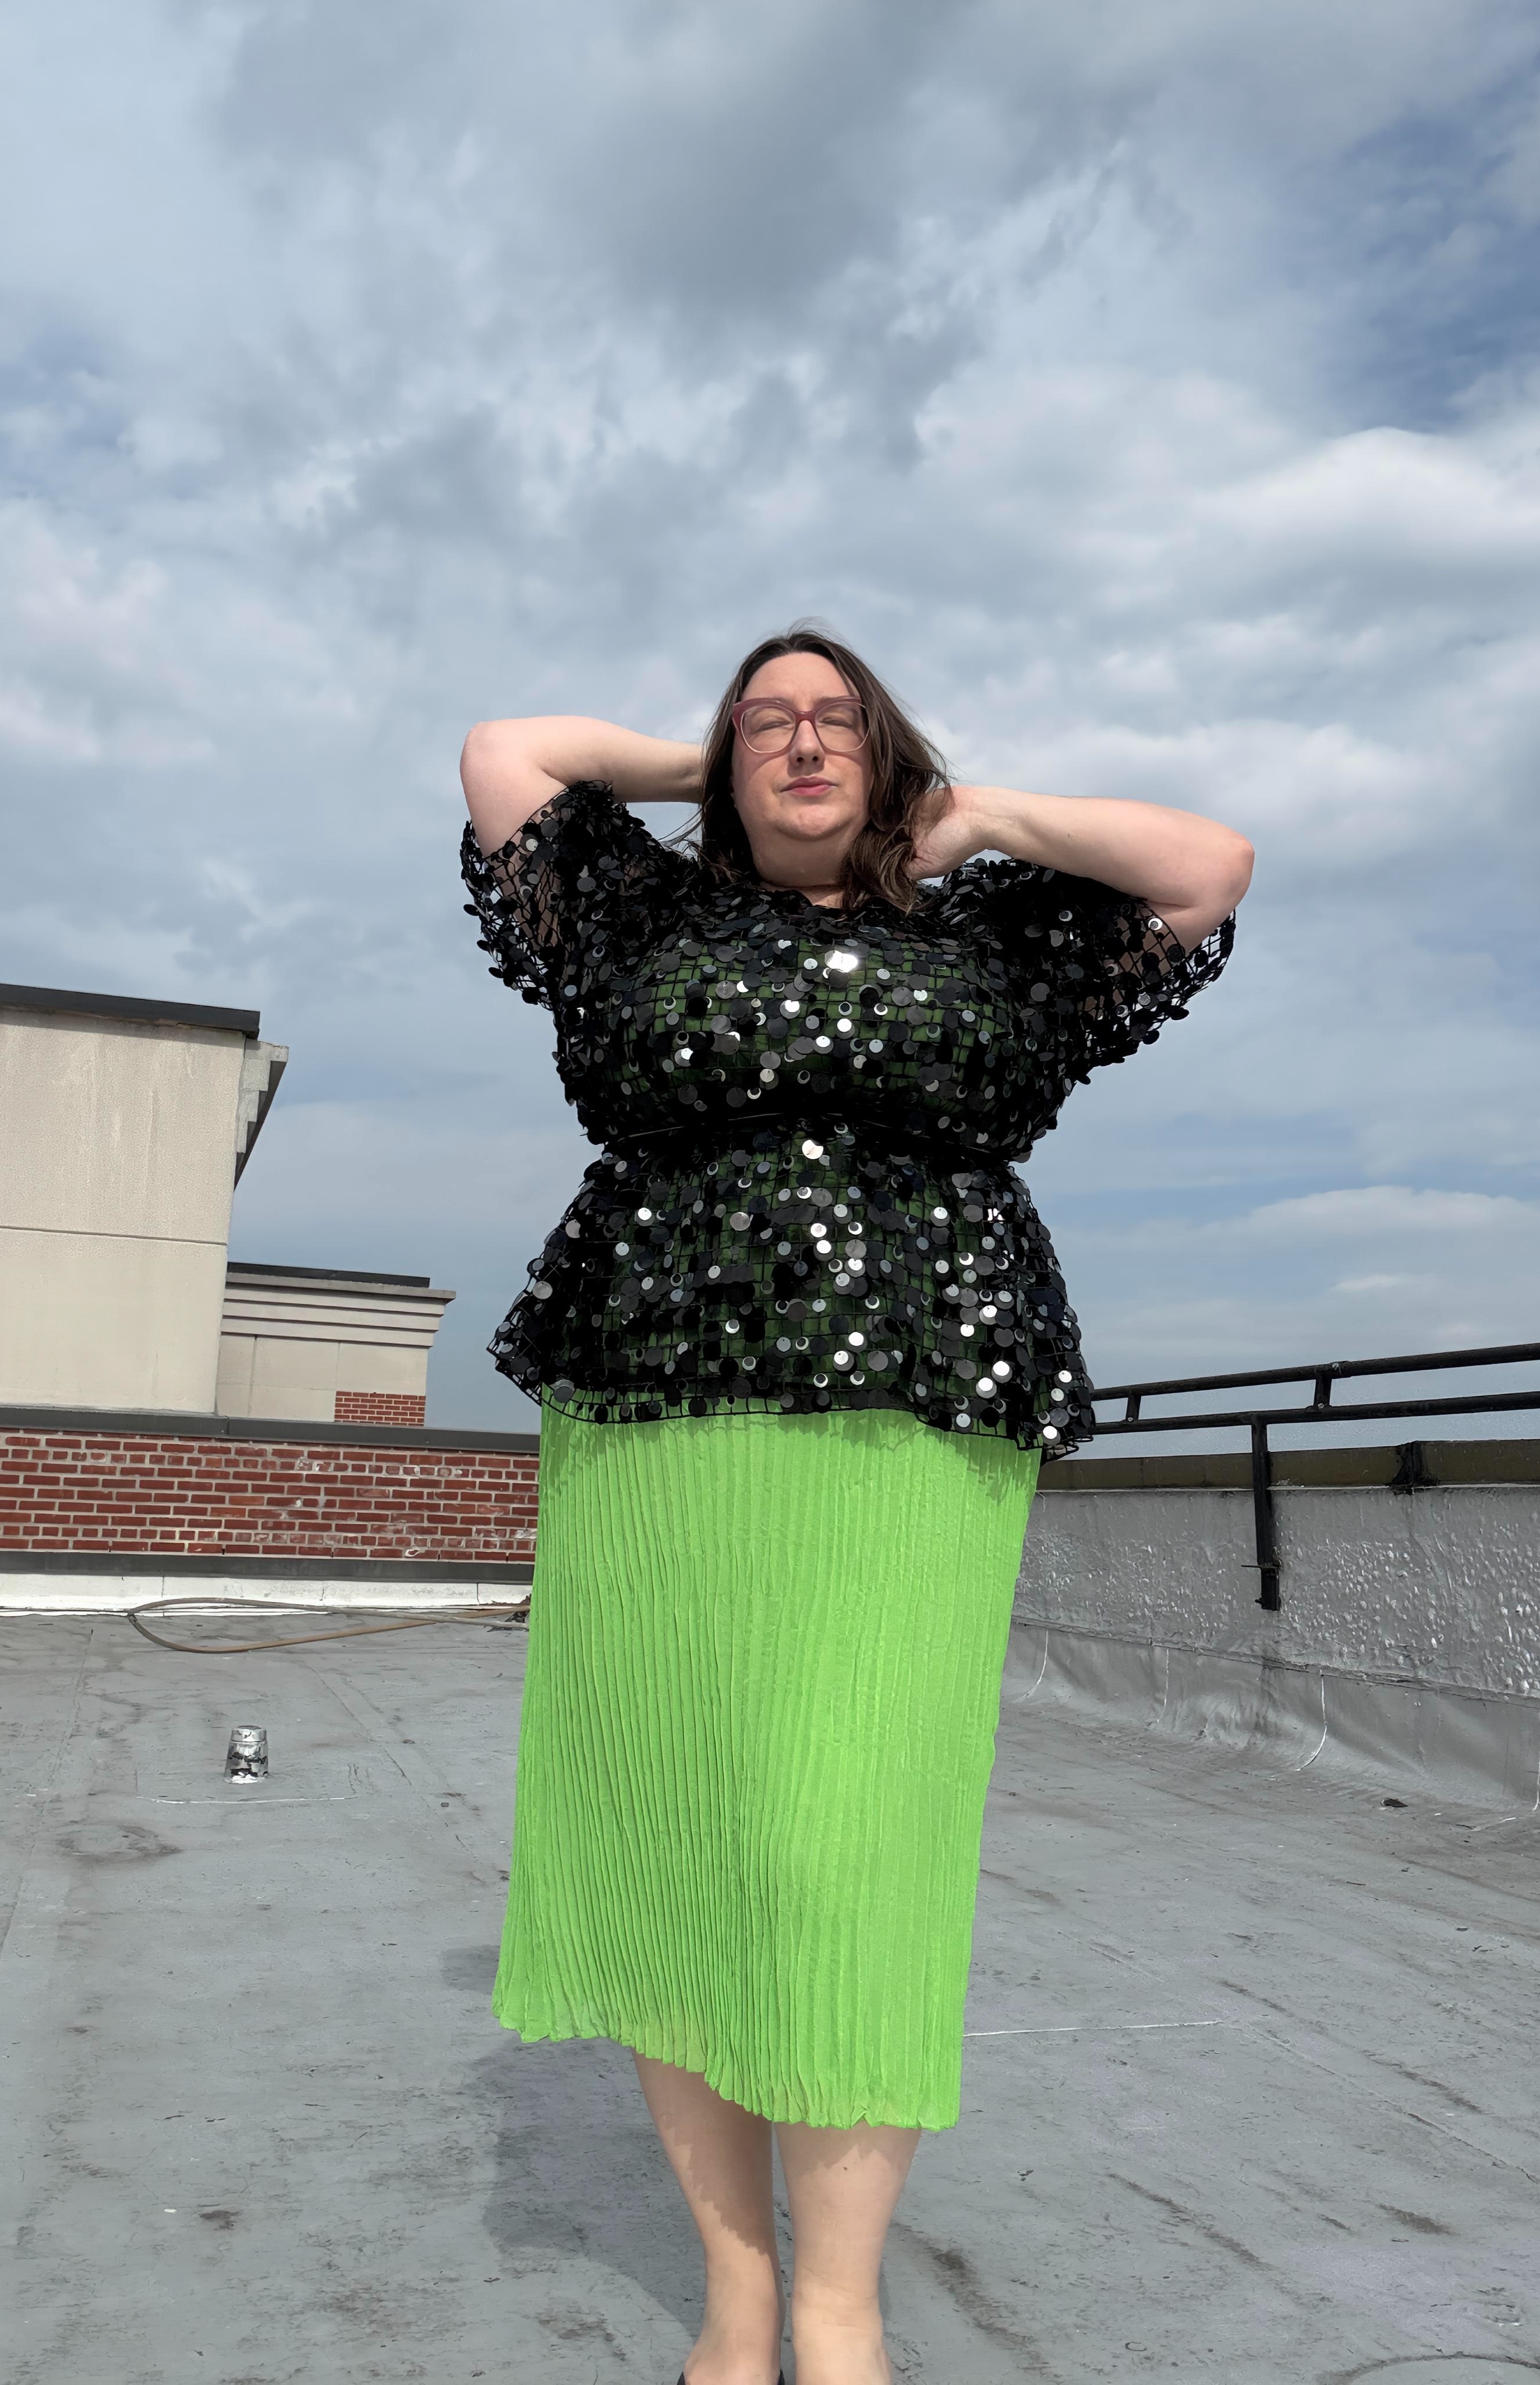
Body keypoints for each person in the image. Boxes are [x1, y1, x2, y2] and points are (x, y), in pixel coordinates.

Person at [459, 626, 1251, 2385]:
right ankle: (741, 2289)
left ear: (891, 752)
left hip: (916, 1412)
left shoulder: (988, 938)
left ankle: (840, 2303)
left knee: (846, 1851)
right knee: (671, 1826)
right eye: (772, 724)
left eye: (839, 721)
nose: (803, 743)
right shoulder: (637, 917)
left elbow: (1210, 868)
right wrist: (705, 772)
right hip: (660, 1407)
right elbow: (509, 750)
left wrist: (967, 811)